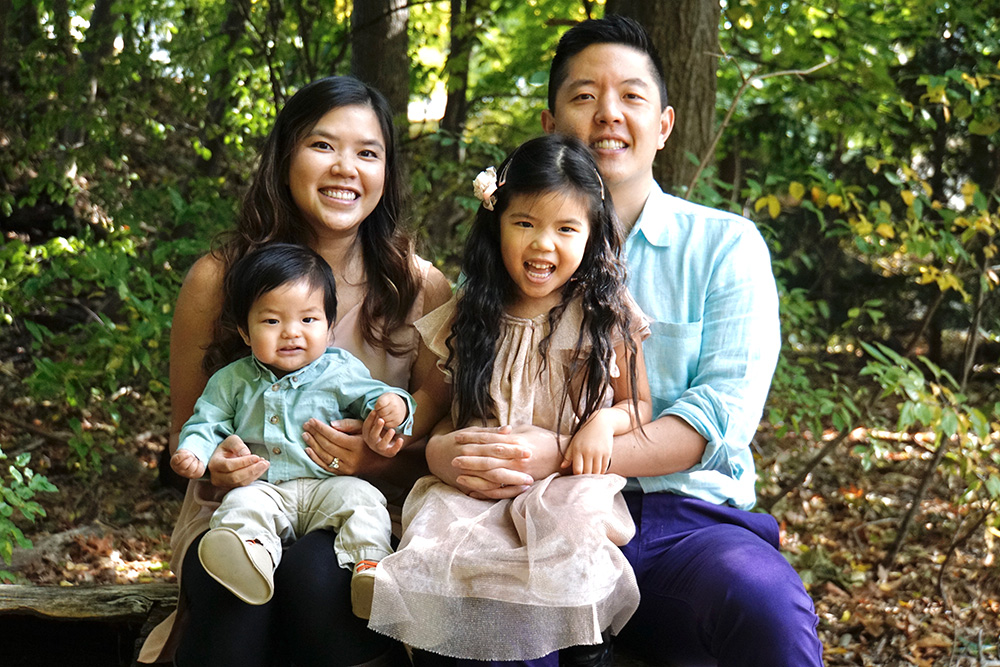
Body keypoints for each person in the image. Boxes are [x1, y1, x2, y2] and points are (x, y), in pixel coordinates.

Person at [424, 15, 825, 667]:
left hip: (683, 523)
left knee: (763, 606)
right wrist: (444, 450)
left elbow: (717, 419)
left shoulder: (725, 247)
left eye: (631, 96)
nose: (608, 113)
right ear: (550, 126)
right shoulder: (505, 260)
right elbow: (459, 399)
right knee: (498, 638)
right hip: (523, 517)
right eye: (584, 96)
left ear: (663, 124)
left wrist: (559, 452)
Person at [138, 76, 453, 667]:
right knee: (232, 585)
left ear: (386, 173)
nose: (345, 169)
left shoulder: (420, 288)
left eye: (367, 153)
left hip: (360, 512)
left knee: (317, 579)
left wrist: (378, 454)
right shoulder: (219, 278)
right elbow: (187, 434)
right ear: (286, 157)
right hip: (237, 508)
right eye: (323, 146)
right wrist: (216, 465)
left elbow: (439, 442)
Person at [367, 134, 651, 662]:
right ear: (495, 222)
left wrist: (601, 425)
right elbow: (434, 392)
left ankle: (580, 649)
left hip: (561, 488)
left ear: (592, 235)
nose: (544, 244)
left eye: (566, 228)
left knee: (566, 557)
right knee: (440, 558)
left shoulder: (603, 316)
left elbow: (638, 404)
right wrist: (408, 415)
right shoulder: (470, 310)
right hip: (470, 488)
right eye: (525, 223)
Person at [171, 242, 415, 619]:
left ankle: (369, 568)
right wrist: (196, 454)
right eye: (272, 321)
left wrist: (394, 406)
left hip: (327, 486)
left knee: (364, 499)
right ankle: (249, 558)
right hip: (263, 488)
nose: (291, 333)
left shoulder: (339, 371)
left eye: (308, 320)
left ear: (330, 327)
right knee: (240, 508)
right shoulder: (232, 380)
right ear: (245, 331)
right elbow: (206, 422)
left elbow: (373, 397)